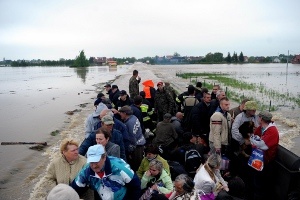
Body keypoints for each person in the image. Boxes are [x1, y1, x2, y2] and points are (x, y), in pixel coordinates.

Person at [71, 144, 141, 200]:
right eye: (91, 162)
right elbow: (75, 188)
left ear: (104, 157)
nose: (94, 166)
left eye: (96, 161)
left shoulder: (119, 168)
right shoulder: (86, 171)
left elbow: (136, 186)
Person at [249, 111, 279, 200]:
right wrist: (254, 141)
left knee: (261, 184)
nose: (257, 119)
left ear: (261, 119)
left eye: (258, 117)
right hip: (257, 159)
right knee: (255, 181)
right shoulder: (261, 128)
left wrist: (253, 141)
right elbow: (255, 137)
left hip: (266, 163)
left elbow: (263, 146)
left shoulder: (272, 130)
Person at [119, 105, 146, 171]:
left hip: (136, 147)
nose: (120, 115)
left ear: (125, 113)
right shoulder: (134, 117)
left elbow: (132, 138)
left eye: (121, 113)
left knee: (135, 165)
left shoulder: (129, 123)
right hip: (141, 142)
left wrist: (130, 151)